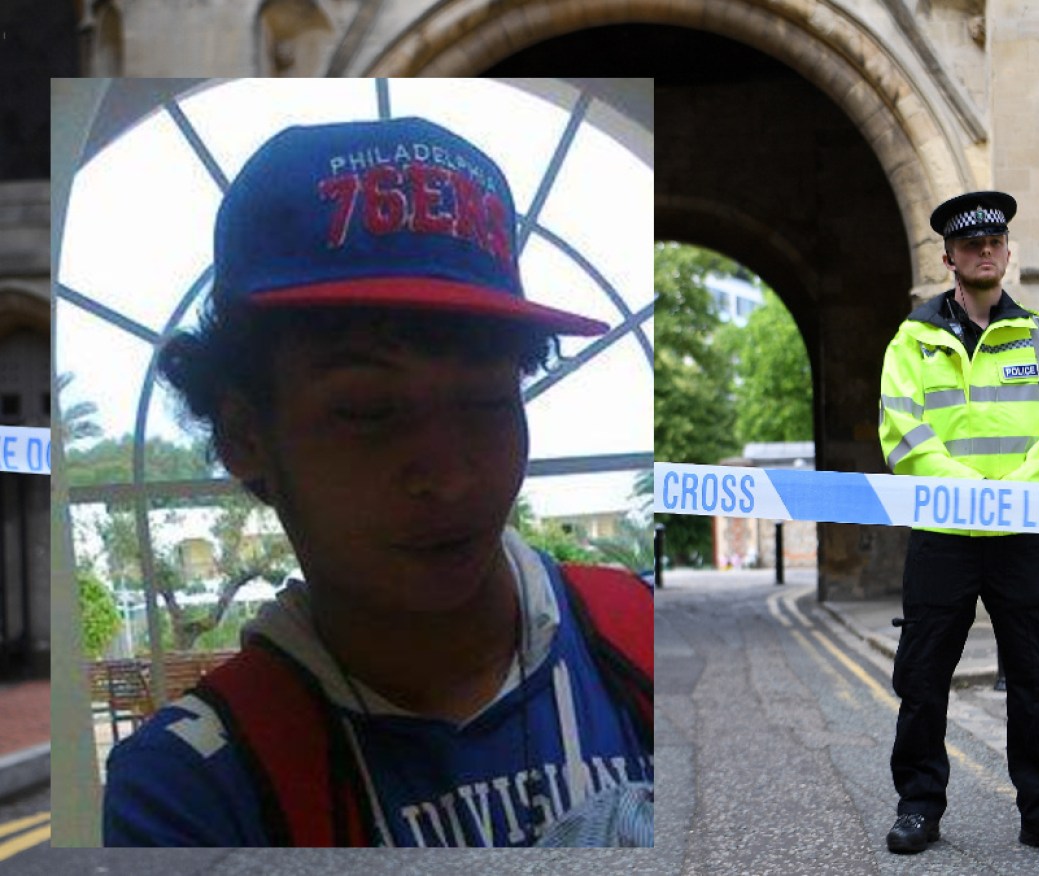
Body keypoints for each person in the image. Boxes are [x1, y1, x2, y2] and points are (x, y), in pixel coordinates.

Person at [102, 115, 653, 848]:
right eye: (368, 412)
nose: (451, 477)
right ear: (244, 436)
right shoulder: (192, 789)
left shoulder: (640, 640)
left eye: (488, 399)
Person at [877, 191, 1039, 860]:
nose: (983, 251)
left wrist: (1017, 489)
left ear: (1005, 251)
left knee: (1035, 675)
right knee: (921, 678)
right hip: (944, 531)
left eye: (993, 241)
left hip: (1019, 531)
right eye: (969, 244)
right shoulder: (912, 339)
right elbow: (901, 428)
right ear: (948, 257)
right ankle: (918, 806)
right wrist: (971, 492)